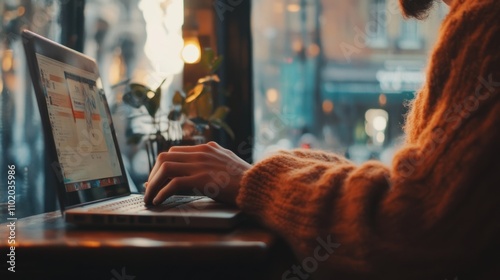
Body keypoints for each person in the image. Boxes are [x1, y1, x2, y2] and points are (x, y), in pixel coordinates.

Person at [145, 0, 500, 278]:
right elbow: (413, 193)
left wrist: (254, 181)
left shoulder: (487, 23)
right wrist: (257, 173)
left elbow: (404, 225)